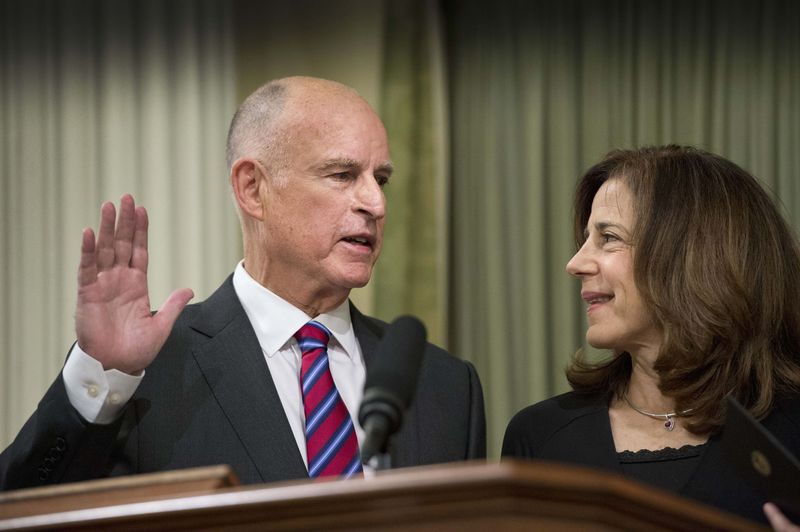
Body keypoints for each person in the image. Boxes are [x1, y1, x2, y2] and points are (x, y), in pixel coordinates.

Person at [0, 76, 486, 490]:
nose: (375, 204)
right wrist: (100, 375)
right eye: (342, 174)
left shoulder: (443, 385)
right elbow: (21, 510)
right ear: (253, 188)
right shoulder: (147, 371)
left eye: (380, 179)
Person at [502, 145, 800, 526]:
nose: (574, 263)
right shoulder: (541, 436)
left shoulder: (790, 432)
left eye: (607, 237)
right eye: (584, 239)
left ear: (693, 256)